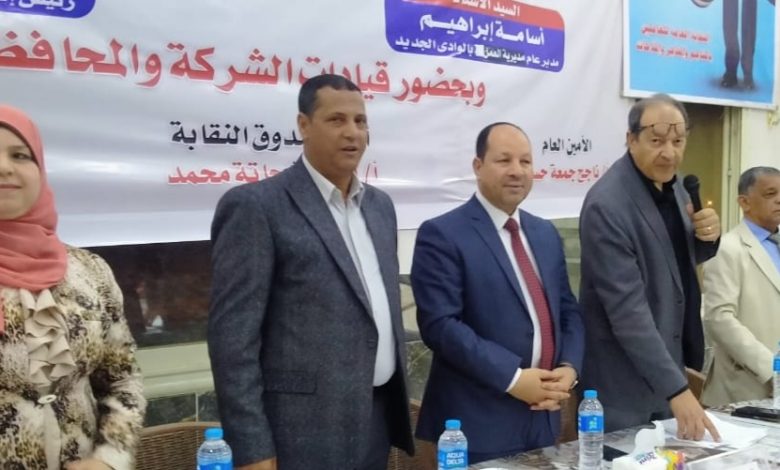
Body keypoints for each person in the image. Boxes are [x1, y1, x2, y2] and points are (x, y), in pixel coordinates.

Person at [208, 74, 414, 470]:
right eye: (337, 120)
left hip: (376, 419)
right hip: (300, 432)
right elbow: (232, 341)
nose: (352, 132)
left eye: (360, 121)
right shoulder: (257, 207)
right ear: (303, 125)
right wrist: (252, 447)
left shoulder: (380, 207)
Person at [411, 122, 584, 465]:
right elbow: (440, 325)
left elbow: (568, 311)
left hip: (542, 418)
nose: (517, 171)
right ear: (478, 166)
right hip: (475, 426)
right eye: (504, 160)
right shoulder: (442, 234)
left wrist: (569, 368)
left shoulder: (545, 233)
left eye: (525, 161)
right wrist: (514, 378)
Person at [0, 105, 146, 469]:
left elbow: (123, 380)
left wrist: (109, 459)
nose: (5, 167)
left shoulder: (89, 271)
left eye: (20, 155)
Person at [579, 94, 722, 441]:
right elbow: (627, 312)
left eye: (678, 141)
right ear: (631, 139)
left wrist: (708, 237)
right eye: (656, 141)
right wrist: (677, 389)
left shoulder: (677, 187)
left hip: (668, 369)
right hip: (623, 384)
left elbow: (671, 263)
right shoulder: (607, 205)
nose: (669, 153)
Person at [701, 166, 780, 406]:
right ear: (744, 202)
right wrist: (772, 369)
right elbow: (719, 318)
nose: (779, 200)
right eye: (770, 194)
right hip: (745, 386)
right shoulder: (727, 248)